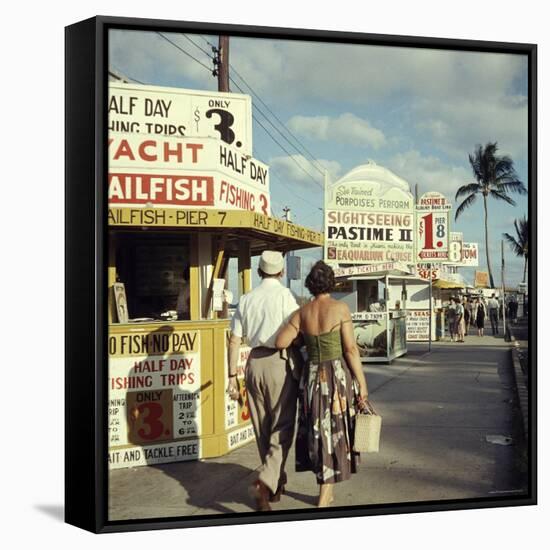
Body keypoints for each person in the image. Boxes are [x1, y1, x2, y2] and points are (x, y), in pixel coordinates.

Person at [275, 261, 369, 508]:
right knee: (334, 432)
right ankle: (324, 495)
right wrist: (362, 383)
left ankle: (326, 489)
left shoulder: (303, 312)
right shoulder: (340, 309)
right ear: (331, 282)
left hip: (312, 376)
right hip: (335, 376)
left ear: (310, 284)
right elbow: (350, 349)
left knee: (318, 431)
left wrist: (302, 340)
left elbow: (281, 342)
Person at [227, 250, 299, 511]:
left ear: (259, 271)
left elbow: (234, 340)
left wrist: (231, 375)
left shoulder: (246, 299)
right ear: (281, 272)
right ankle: (265, 482)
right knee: (283, 425)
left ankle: (274, 483)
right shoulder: (285, 296)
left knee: (262, 426)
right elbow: (296, 329)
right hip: (278, 362)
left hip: (253, 363)